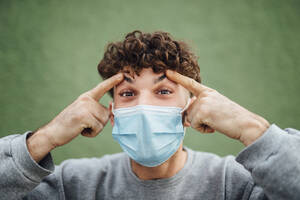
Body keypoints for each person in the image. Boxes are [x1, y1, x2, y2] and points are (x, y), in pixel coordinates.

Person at [0, 30, 299, 200]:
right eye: (128, 94)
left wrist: (250, 127)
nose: (144, 108)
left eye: (164, 92)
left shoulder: (237, 186)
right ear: (113, 114)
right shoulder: (73, 185)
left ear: (191, 109)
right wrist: (45, 138)